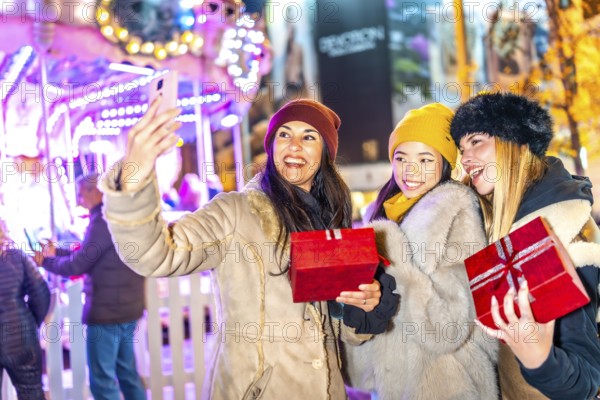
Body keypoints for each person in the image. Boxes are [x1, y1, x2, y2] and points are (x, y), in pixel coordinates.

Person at [99, 97, 398, 399]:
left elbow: (337, 329)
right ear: (271, 147)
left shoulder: (329, 223)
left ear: (325, 154)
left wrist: (361, 306)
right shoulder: (235, 212)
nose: (294, 145)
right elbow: (153, 253)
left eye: (308, 137)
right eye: (284, 134)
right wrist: (135, 172)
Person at [450, 92, 600, 399]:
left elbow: (587, 380)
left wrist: (540, 360)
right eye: (461, 148)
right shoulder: (492, 225)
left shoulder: (564, 231)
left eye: (477, 141)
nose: (465, 157)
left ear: (517, 144)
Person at [344, 103, 498, 399]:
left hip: (448, 386)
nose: (410, 170)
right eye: (401, 158)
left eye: (425, 159)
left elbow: (447, 328)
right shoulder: (385, 214)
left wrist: (394, 256)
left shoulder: (456, 212)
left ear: (444, 165)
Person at [35, 173, 147, 400]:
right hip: (128, 307)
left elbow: (79, 265)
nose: (77, 200)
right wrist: (58, 253)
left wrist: (46, 261)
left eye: (80, 193)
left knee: (102, 380)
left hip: (108, 312)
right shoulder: (120, 217)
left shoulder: (101, 222)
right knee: (127, 373)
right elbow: (91, 255)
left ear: (96, 192)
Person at [0, 220, 50, 400]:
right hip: (20, 336)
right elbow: (41, 293)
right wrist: (29, 322)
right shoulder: (17, 256)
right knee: (31, 393)